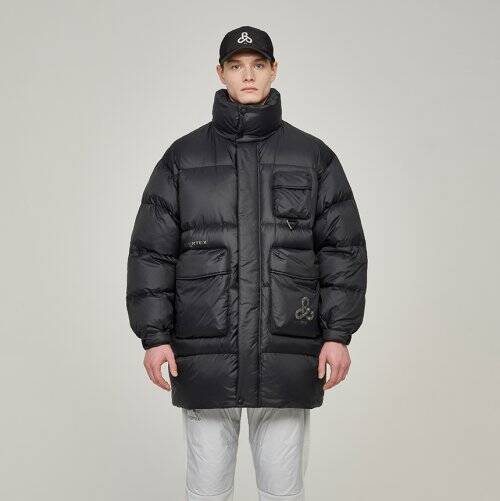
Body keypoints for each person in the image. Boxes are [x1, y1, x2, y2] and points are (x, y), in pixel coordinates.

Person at [126, 25, 368, 501]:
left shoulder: (313, 157)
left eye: (258, 65)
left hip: (286, 352)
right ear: (220, 73)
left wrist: (338, 334)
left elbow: (343, 250)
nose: (248, 75)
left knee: (283, 491)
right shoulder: (182, 158)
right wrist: (154, 337)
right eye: (237, 66)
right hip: (204, 354)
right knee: (207, 491)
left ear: (274, 70)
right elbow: (151, 252)